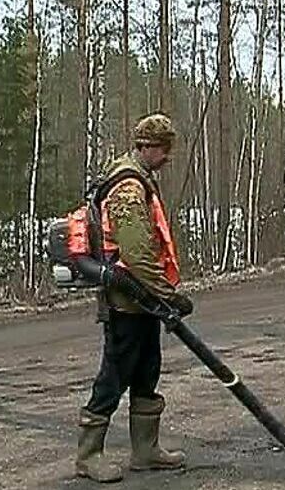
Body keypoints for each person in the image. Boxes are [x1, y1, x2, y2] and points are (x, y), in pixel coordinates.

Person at [76, 112, 193, 482]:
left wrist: (159, 298)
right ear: (150, 146)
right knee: (115, 373)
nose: (168, 157)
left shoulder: (139, 178)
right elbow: (137, 252)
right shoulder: (128, 186)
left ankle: (145, 451)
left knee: (147, 370)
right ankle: (88, 456)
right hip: (126, 300)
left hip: (142, 300)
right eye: (166, 149)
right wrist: (167, 295)